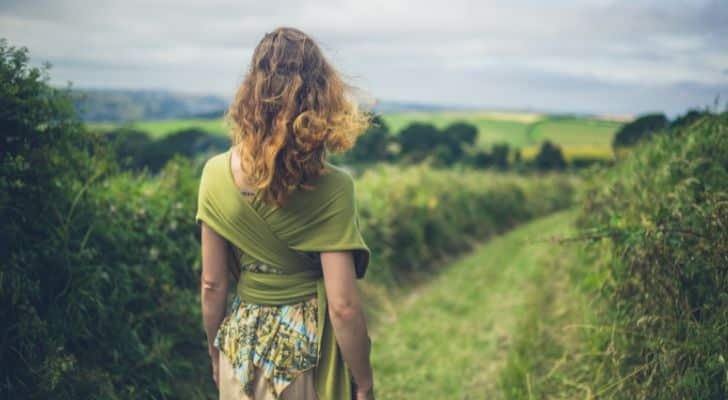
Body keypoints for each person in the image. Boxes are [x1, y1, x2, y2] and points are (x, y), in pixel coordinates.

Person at [195, 27, 375, 400]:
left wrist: (216, 354)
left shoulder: (214, 174)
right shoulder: (333, 187)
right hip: (305, 357)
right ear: (322, 96)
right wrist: (364, 381)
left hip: (239, 355)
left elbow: (213, 285)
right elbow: (343, 307)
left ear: (252, 92)